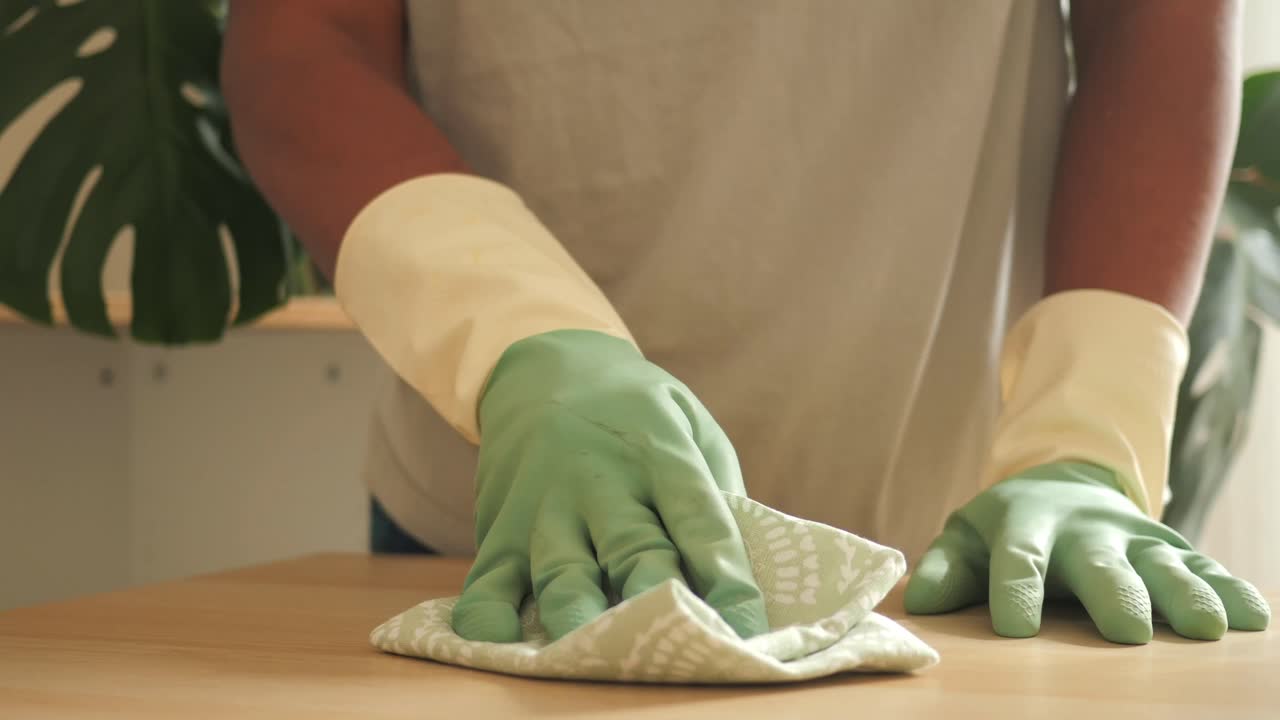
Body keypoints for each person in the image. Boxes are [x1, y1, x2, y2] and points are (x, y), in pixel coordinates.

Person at [222, 0, 1270, 645]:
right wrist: (510, 335)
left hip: (952, 569)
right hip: (506, 540)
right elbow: (307, 36)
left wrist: (1081, 434)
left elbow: (1155, 17)